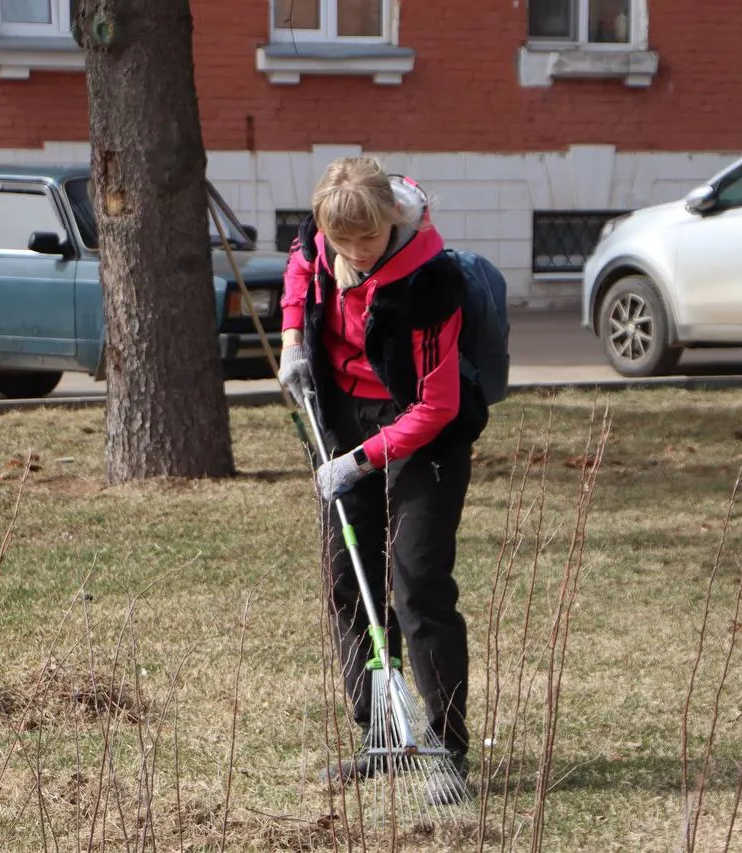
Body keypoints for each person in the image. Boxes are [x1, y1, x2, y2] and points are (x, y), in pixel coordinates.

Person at [277, 156, 487, 806]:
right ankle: (381, 734)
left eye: (365, 242)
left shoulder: (431, 280)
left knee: (416, 583)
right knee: (350, 579)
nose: (355, 256)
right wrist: (291, 341)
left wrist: (360, 460)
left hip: (421, 429)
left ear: (390, 220)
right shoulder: (326, 237)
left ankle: (446, 748)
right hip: (344, 413)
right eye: (342, 243)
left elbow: (437, 405)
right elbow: (301, 267)